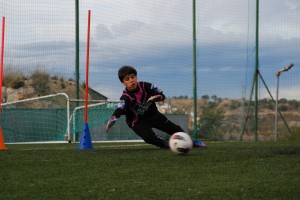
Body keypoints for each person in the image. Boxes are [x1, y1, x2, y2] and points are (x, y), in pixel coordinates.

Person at [106, 65, 207, 149]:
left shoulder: (146, 86)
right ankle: (165, 144)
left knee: (174, 128)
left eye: (133, 77)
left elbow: (162, 96)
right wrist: (113, 118)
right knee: (148, 138)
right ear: (123, 83)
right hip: (136, 122)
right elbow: (120, 109)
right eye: (127, 79)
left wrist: (157, 97)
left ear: (136, 77)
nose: (131, 81)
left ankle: (191, 141)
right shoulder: (125, 97)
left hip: (153, 115)